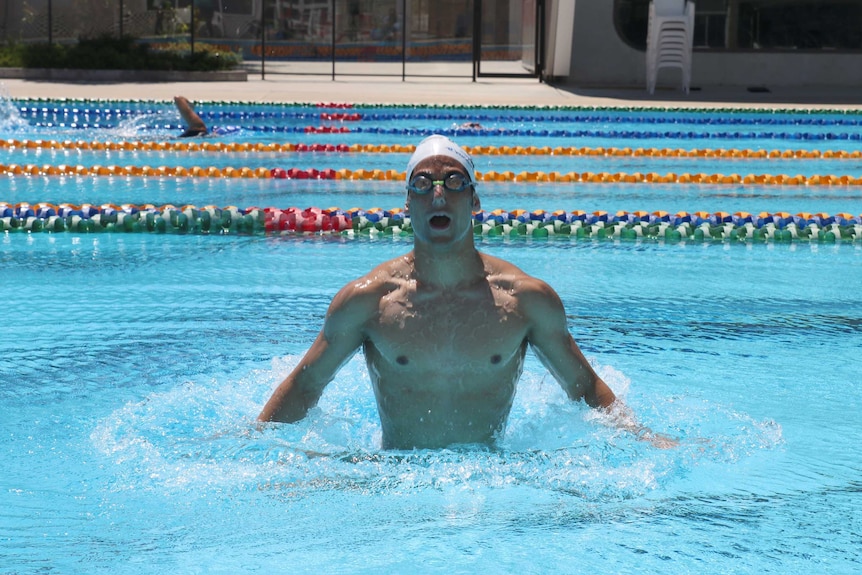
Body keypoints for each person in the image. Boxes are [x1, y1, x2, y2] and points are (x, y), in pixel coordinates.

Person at [258, 135, 675, 450]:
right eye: (423, 184)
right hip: (395, 482)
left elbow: (583, 387)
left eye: (454, 182)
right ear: (407, 202)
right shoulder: (368, 302)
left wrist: (645, 438)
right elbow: (306, 385)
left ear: (474, 201)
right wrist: (250, 445)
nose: (438, 194)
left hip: (490, 488)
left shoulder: (526, 300)